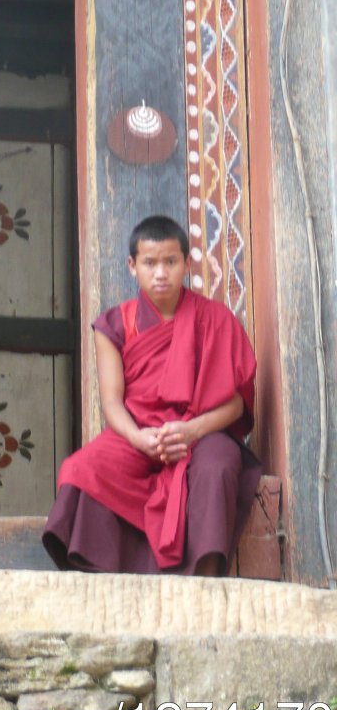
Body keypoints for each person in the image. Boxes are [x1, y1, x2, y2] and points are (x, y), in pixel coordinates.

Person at [43, 214, 260, 575]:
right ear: (132, 266)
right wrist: (138, 439)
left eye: (171, 262)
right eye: (150, 263)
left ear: (187, 263)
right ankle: (103, 577)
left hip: (200, 433)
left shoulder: (216, 319)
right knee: (82, 468)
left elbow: (235, 402)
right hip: (138, 433)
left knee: (219, 464)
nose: (161, 273)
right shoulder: (114, 324)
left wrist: (191, 431)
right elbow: (112, 401)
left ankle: (202, 579)